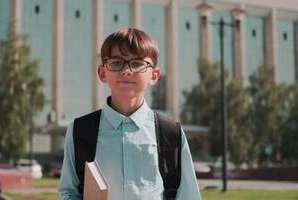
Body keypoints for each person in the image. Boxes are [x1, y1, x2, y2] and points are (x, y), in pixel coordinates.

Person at [59, 28, 201, 200]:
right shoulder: (80, 130)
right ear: (102, 73)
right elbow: (69, 193)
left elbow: (188, 196)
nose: (126, 70)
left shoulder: (170, 133)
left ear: (154, 75)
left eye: (137, 63)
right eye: (116, 62)